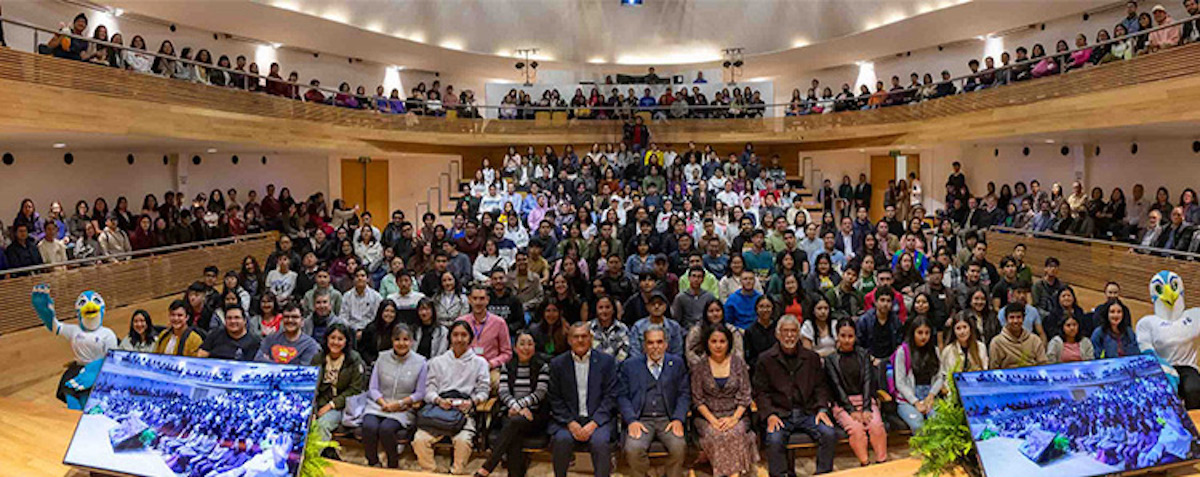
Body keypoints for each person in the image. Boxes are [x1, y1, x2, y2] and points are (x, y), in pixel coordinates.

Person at [754, 315, 837, 475]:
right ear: (777, 334)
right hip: (779, 413)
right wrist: (770, 415)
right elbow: (761, 392)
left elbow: (821, 387)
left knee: (828, 433)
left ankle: (823, 473)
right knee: (774, 439)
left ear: (799, 334)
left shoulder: (812, 358)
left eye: (793, 331)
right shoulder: (765, 359)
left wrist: (822, 409)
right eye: (785, 331)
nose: (789, 335)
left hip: (808, 412)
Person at [412, 321, 491, 474]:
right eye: (455, 335)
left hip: (463, 413)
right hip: (439, 412)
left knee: (463, 442)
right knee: (419, 440)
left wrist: (472, 402)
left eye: (464, 335)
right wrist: (438, 400)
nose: (459, 339)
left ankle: (455, 473)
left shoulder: (480, 363)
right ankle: (431, 472)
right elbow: (429, 390)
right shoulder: (437, 361)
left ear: (470, 338)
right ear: (450, 338)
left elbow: (483, 391)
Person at [547, 322, 619, 477]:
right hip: (568, 421)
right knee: (561, 439)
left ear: (591, 338)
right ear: (569, 340)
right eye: (576, 337)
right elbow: (555, 398)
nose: (580, 340)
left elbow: (611, 396)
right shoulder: (558, 364)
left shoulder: (606, 362)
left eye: (584, 336)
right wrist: (571, 423)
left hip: (598, 420)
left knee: (600, 442)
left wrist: (594, 423)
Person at [617, 326, 690, 477]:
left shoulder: (677, 363)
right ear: (644, 346)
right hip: (641, 420)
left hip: (668, 419)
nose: (655, 346)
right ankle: (646, 473)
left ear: (666, 344)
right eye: (650, 343)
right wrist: (631, 420)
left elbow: (684, 394)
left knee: (679, 447)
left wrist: (678, 418)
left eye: (659, 342)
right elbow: (622, 396)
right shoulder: (630, 365)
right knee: (633, 449)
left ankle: (669, 474)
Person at [476, 330, 549, 477]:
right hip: (511, 413)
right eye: (522, 344)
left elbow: (540, 393)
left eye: (530, 344)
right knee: (514, 432)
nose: (526, 348)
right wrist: (517, 408)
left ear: (534, 347)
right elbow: (503, 392)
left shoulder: (542, 367)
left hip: (533, 416)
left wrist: (518, 407)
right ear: (515, 348)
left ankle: (488, 466)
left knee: (513, 424)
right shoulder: (507, 366)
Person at [690, 325, 757, 477]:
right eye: (714, 341)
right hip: (707, 417)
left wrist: (734, 419)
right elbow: (698, 399)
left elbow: (745, 394)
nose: (718, 345)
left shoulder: (738, 363)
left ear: (729, 343)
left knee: (735, 432)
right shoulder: (699, 367)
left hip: (736, 415)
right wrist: (713, 421)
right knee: (717, 434)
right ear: (707, 343)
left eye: (722, 341)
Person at [362, 324, 427, 469]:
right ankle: (373, 463)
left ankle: (393, 464)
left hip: (403, 408)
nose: (401, 343)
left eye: (405, 339)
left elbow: (420, 393)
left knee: (386, 429)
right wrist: (383, 403)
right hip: (379, 404)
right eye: (397, 339)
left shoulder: (421, 362)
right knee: (369, 426)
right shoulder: (382, 357)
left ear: (412, 342)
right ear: (392, 340)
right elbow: (373, 388)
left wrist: (399, 404)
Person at [825, 318, 888, 466]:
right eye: (843, 336)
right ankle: (865, 465)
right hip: (843, 403)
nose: (847, 340)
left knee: (876, 426)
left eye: (850, 336)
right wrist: (851, 410)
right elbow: (836, 386)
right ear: (837, 336)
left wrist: (866, 408)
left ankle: (882, 463)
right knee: (856, 429)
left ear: (855, 336)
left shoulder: (863, 354)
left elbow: (867, 381)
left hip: (865, 400)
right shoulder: (830, 359)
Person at [311, 323, 365, 454]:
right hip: (319, 402)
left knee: (322, 425)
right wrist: (312, 410)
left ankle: (314, 457)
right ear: (327, 339)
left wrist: (331, 405)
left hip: (343, 406)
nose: (335, 342)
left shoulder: (353, 359)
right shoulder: (318, 358)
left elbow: (355, 389)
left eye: (340, 339)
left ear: (346, 342)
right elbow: (312, 386)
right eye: (332, 338)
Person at [893, 316, 943, 432]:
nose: (923, 337)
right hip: (908, 398)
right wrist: (915, 402)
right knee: (918, 425)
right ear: (913, 333)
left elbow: (940, 377)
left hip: (930, 395)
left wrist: (931, 395)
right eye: (920, 333)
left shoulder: (935, 351)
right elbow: (900, 383)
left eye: (927, 333)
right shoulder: (902, 352)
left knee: (938, 422)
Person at [456, 286, 513, 388]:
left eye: (482, 298)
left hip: (490, 368)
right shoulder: (461, 322)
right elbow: (454, 348)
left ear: (487, 300)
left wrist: (491, 364)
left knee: (497, 383)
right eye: (475, 298)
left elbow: (507, 353)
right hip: (465, 367)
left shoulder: (499, 323)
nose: (478, 302)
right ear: (469, 300)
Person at [255, 303, 321, 365]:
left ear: (302, 321)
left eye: (294, 317)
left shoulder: (309, 345)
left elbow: (303, 369)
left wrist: (270, 362)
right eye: (286, 317)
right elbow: (258, 360)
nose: (290, 320)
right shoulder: (271, 338)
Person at [989, 303, 1048, 369]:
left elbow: (1043, 364)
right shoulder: (997, 342)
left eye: (1019, 317)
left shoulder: (1035, 340)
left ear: (1024, 318)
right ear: (1006, 319)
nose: (1015, 321)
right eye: (1012, 317)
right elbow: (994, 368)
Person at [629, 291, 685, 359]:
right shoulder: (638, 326)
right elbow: (635, 352)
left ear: (665, 306)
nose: (656, 306)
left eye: (660, 304)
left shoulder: (674, 327)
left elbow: (677, 352)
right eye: (653, 304)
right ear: (647, 307)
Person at [856, 287, 903, 362]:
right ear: (875, 302)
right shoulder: (865, 320)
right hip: (869, 360)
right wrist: (869, 357)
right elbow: (859, 344)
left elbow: (899, 344)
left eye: (888, 301)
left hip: (890, 361)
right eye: (882, 300)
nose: (885, 304)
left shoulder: (896, 321)